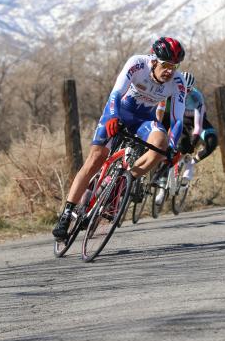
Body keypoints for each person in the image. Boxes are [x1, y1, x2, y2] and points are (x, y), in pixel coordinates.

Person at [52, 37, 186, 240]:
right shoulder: (137, 64)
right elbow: (115, 93)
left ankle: (122, 183)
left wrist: (172, 147)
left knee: (160, 145)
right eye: (166, 65)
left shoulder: (178, 82)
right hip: (119, 111)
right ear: (154, 60)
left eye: (174, 67)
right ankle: (66, 213)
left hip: (144, 120)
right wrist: (113, 117)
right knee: (95, 159)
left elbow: (177, 120)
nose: (169, 71)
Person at [154, 72, 218, 204]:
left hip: (196, 121)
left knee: (212, 142)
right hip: (180, 120)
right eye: (183, 88)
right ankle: (162, 185)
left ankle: (191, 162)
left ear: (192, 88)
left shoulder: (196, 97)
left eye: (189, 89)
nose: (186, 92)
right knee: (175, 146)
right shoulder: (171, 91)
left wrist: (193, 142)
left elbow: (198, 125)